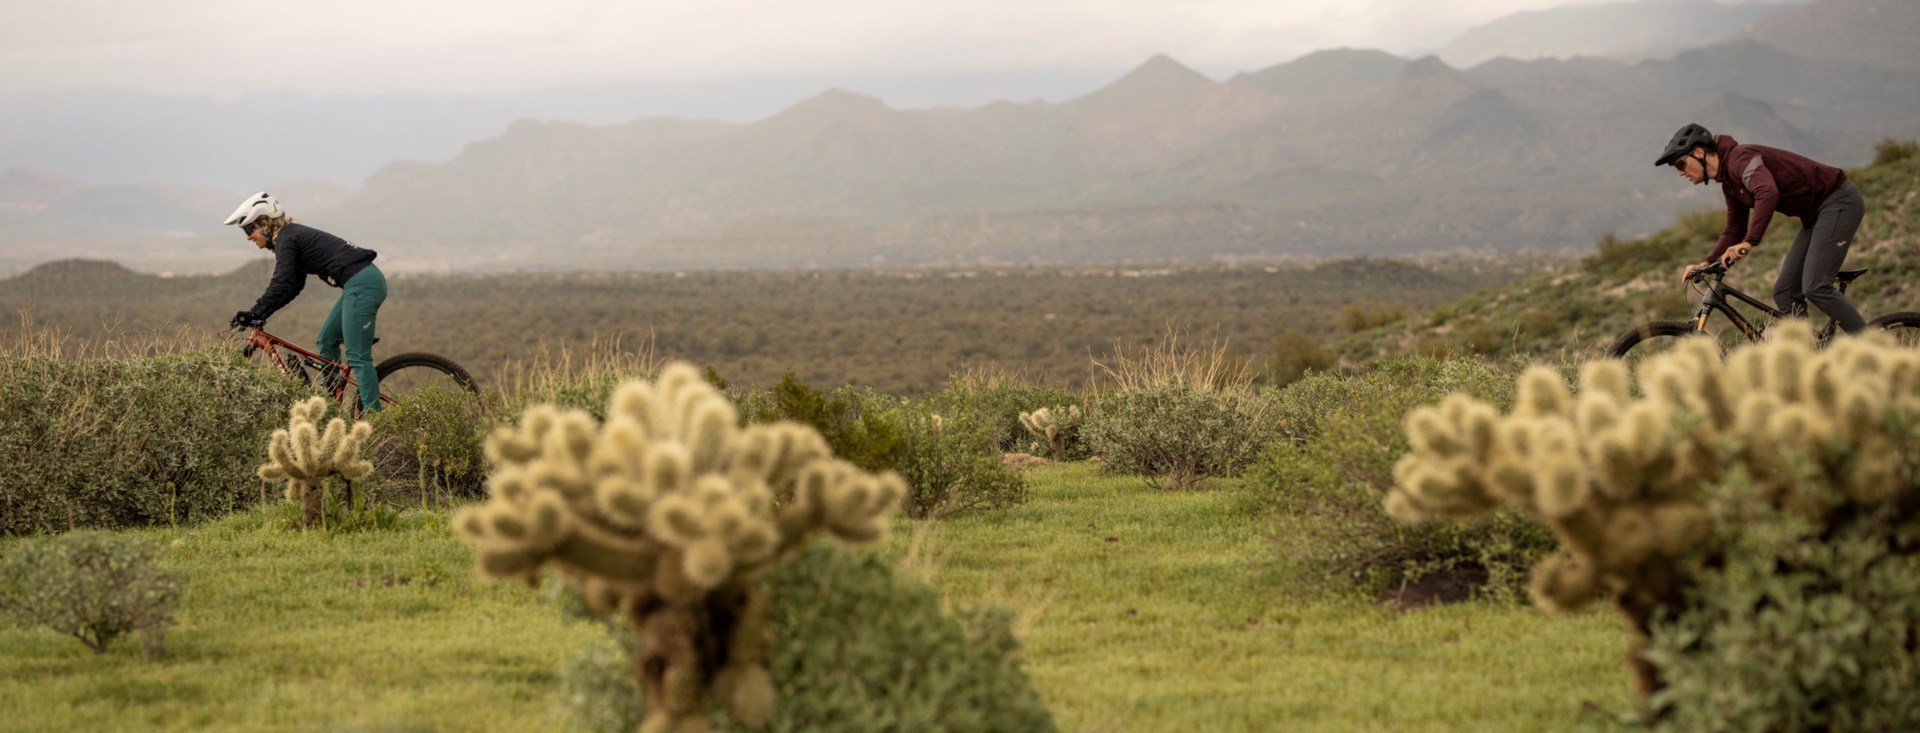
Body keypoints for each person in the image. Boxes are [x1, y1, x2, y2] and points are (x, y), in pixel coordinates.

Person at [1655, 123, 1866, 333]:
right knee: (1785, 293)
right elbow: (1734, 229)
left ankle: (1873, 346)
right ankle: (1807, 349)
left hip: (1838, 201)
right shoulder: (1729, 181)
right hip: (1813, 218)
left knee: (1816, 287)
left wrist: (1749, 242)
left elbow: (1767, 191)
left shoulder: (1740, 158)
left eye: (1680, 165)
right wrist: (1706, 262)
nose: (1681, 173)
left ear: (1699, 152)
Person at [225, 192, 389, 411]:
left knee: (358, 356)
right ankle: (327, 406)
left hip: (363, 284)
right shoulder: (290, 238)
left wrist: (255, 312)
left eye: (248, 229)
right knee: (326, 340)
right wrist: (260, 314)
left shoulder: (286, 238)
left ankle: (375, 420)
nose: (248, 237)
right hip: (360, 283)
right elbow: (292, 286)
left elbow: (281, 282)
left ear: (264, 224)